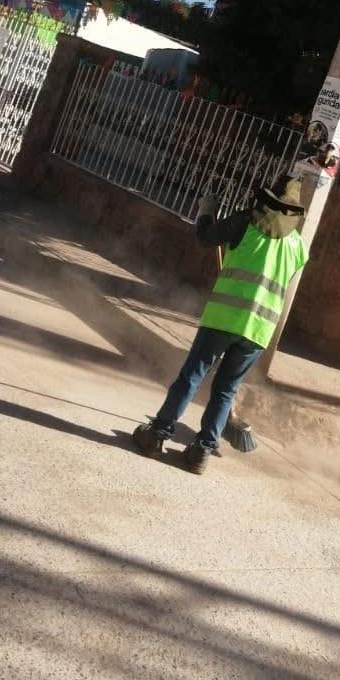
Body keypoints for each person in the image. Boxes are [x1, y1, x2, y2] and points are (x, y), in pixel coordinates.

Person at [131, 172, 308, 474]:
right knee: (226, 388)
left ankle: (157, 434)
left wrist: (206, 211)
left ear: (265, 198)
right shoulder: (299, 247)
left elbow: (205, 237)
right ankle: (202, 451)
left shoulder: (244, 222)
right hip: (259, 331)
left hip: (223, 319)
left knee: (192, 376)